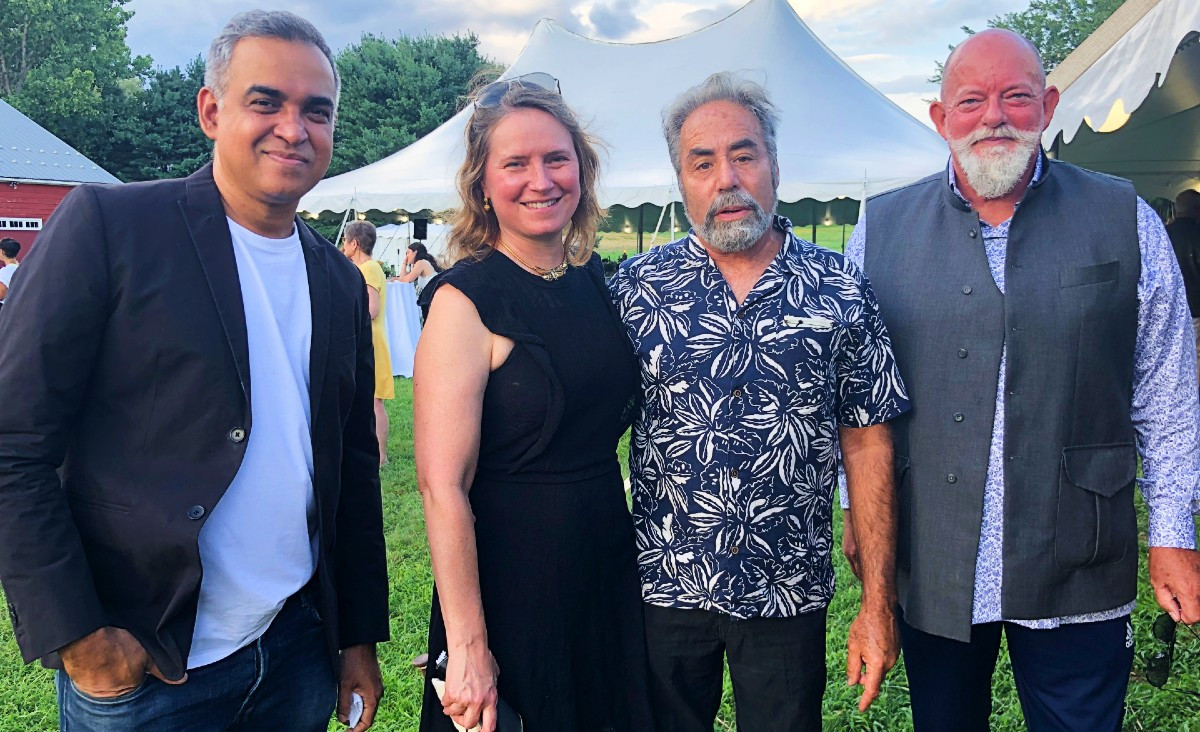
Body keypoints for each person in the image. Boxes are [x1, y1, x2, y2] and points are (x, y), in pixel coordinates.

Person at [0, 10, 388, 731]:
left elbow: (353, 470)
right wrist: (76, 635)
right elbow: (12, 440)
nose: (293, 128)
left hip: (295, 647)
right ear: (212, 110)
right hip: (148, 668)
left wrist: (353, 636)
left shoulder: (337, 279)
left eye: (317, 111)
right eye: (265, 101)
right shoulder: (111, 230)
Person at [841, 28, 1200, 731]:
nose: (994, 116)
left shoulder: (1123, 216)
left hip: (1078, 552)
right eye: (970, 100)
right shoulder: (877, 230)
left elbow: (1167, 386)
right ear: (941, 119)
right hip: (933, 553)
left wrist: (1173, 529)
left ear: (1049, 104)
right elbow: (856, 398)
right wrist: (856, 514)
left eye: (1016, 96)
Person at [609, 72, 910, 731]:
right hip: (663, 584)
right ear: (680, 179)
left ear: (774, 162)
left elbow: (869, 438)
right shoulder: (635, 290)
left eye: (744, 154)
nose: (727, 179)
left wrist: (877, 604)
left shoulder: (839, 290)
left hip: (787, 589)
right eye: (703, 162)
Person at [413, 72, 652, 732]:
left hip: (602, 567)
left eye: (556, 159)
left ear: (582, 169)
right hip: (510, 588)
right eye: (515, 163)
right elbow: (441, 487)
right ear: (483, 185)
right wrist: (467, 648)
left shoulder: (595, 285)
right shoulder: (465, 302)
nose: (540, 180)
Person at [343, 220, 395, 466]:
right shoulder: (364, 269)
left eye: (345, 241)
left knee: (374, 400)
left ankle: (381, 456)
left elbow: (371, 309)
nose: (343, 247)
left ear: (354, 243)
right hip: (366, 341)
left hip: (372, 342)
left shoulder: (369, 269)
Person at [1168, 189, 1200, 387]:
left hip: (1167, 309)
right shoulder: (1198, 235)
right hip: (1196, 308)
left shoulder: (1161, 234)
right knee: (1195, 355)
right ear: (1197, 209)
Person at [0, 237, 19, 313]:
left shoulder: (6, 271)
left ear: (2, 251)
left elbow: (1, 295)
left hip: (6, 309)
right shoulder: (20, 267)